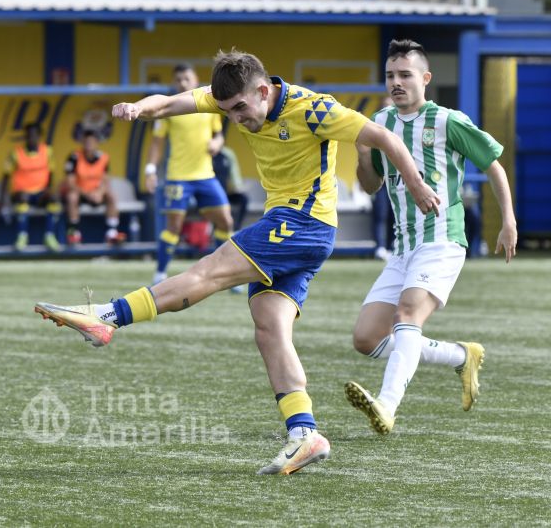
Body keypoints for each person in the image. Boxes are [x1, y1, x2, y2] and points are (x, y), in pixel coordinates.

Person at [35, 49, 439, 476]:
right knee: (269, 328)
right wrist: (138, 108)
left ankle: (107, 316)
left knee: (208, 272)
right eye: (227, 112)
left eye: (242, 108)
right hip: (294, 227)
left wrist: (415, 185)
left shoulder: (314, 109)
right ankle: (305, 434)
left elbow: (385, 138)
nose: (237, 119)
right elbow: (170, 104)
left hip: (302, 222)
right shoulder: (233, 97)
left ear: (264, 90)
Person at [345, 39, 518, 436]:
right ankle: (460, 355)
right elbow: (370, 186)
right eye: (390, 75)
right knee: (367, 338)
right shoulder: (379, 123)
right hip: (403, 246)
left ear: (425, 78)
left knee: (408, 315)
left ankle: (386, 406)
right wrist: (361, 153)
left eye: (405, 75)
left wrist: (508, 219)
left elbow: (494, 167)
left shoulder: (447, 121)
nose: (396, 82)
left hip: (442, 239)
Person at [144, 63, 234, 285]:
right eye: (178, 80)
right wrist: (150, 170)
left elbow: (219, 135)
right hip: (178, 177)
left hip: (205, 176)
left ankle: (225, 272)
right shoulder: (169, 109)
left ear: (196, 80)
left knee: (225, 222)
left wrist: (217, 143)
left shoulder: (209, 106)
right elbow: (157, 143)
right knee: (173, 227)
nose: (182, 83)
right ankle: (160, 273)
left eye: (186, 79)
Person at [0, 123, 62, 252]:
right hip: (21, 193)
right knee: (23, 198)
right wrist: (3, 199)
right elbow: (5, 177)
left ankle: (49, 236)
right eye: (28, 135)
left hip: (40, 193)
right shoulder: (15, 153)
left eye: (34, 135)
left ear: (39, 136)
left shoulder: (47, 151)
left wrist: (48, 190)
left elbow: (51, 173)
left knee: (54, 198)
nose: (31, 138)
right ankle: (22, 236)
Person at [62, 130, 126, 246]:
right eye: (86, 142)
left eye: (92, 142)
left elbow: (106, 180)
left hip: (96, 194)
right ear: (82, 143)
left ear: (97, 143)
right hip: (81, 193)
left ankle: (112, 232)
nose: (89, 145)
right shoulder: (74, 157)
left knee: (111, 195)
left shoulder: (104, 157)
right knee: (71, 197)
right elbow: (70, 182)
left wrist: (99, 192)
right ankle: (74, 233)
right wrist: (87, 194)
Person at [212, 145, 249, 230]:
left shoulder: (227, 153)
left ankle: (236, 229)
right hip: (210, 195)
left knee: (243, 199)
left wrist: (238, 187)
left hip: (225, 194)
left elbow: (235, 176)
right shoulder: (205, 153)